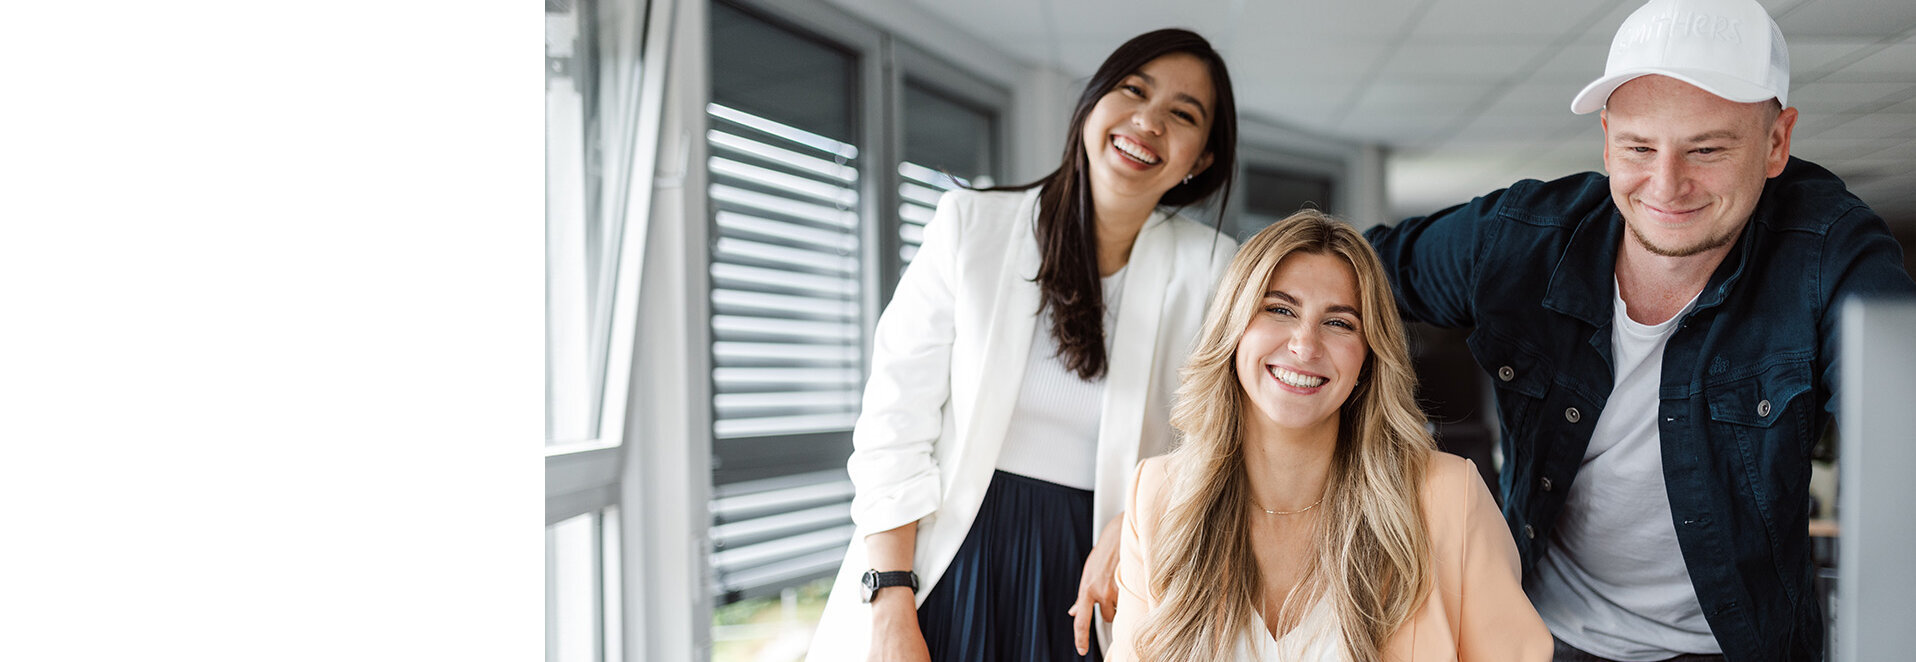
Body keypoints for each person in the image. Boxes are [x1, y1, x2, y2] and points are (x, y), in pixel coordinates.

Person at [1363, 0, 1916, 660]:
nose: (1666, 185)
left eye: (1706, 149)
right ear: (1605, 139)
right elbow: (1340, 273)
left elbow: (1900, 413)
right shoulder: (1518, 239)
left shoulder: (1829, 253)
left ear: (1776, 143)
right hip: (1540, 632)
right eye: (1638, 147)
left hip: (1736, 648)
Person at [805, 28, 1240, 662]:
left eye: (1182, 114)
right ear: (1092, 105)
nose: (1148, 122)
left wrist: (1141, 517)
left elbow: (1228, 432)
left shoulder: (1214, 270)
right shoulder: (971, 226)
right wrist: (891, 601)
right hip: (946, 555)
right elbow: (894, 425)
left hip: (1098, 581)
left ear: (1201, 159)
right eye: (1133, 91)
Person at [1106, 211, 1551, 662]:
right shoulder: (1159, 496)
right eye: (1279, 309)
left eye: (1339, 323)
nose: (1305, 345)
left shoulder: (1447, 497)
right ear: (1233, 330)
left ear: (1368, 357)